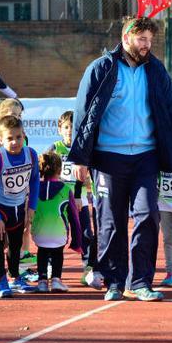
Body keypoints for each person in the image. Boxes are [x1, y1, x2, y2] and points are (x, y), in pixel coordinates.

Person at [68, 16, 172, 302]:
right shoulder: (102, 68)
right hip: (109, 158)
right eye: (141, 39)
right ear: (126, 39)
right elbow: (83, 114)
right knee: (111, 221)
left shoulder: (156, 71)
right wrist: (80, 158)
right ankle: (114, 281)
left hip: (145, 157)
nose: (147, 45)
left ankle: (141, 281)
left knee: (148, 215)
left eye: (149, 40)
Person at [0, 115, 40, 298]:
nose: (15, 142)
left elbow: (34, 181)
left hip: (18, 207)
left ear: (24, 135)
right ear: (0, 140)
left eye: (18, 137)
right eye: (9, 138)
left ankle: (15, 277)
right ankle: (1, 282)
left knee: (16, 246)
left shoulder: (30, 154)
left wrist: (31, 206)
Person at [46, 111, 102, 289]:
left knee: (86, 233)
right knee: (59, 233)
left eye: (72, 127)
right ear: (59, 130)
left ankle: (88, 268)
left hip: (79, 199)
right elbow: (46, 171)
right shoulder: (55, 149)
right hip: (59, 199)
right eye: (66, 127)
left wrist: (78, 196)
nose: (69, 131)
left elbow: (82, 176)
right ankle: (50, 266)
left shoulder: (81, 148)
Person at [31, 151, 83, 293]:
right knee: (57, 253)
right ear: (60, 170)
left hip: (38, 234)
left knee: (42, 251)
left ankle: (42, 281)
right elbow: (74, 218)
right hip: (59, 234)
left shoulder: (34, 189)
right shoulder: (66, 190)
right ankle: (56, 280)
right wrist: (77, 242)